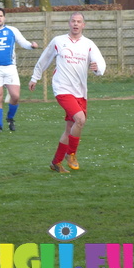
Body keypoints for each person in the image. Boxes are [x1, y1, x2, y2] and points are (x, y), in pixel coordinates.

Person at [28, 12, 106, 173]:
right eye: (73, 21)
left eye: (79, 21)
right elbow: (44, 59)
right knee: (80, 120)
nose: (76, 24)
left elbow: (100, 62)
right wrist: (34, 77)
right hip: (62, 88)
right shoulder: (58, 41)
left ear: (84, 25)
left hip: (80, 91)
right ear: (69, 23)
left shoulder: (88, 44)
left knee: (70, 127)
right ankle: (71, 154)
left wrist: (98, 69)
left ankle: (56, 163)